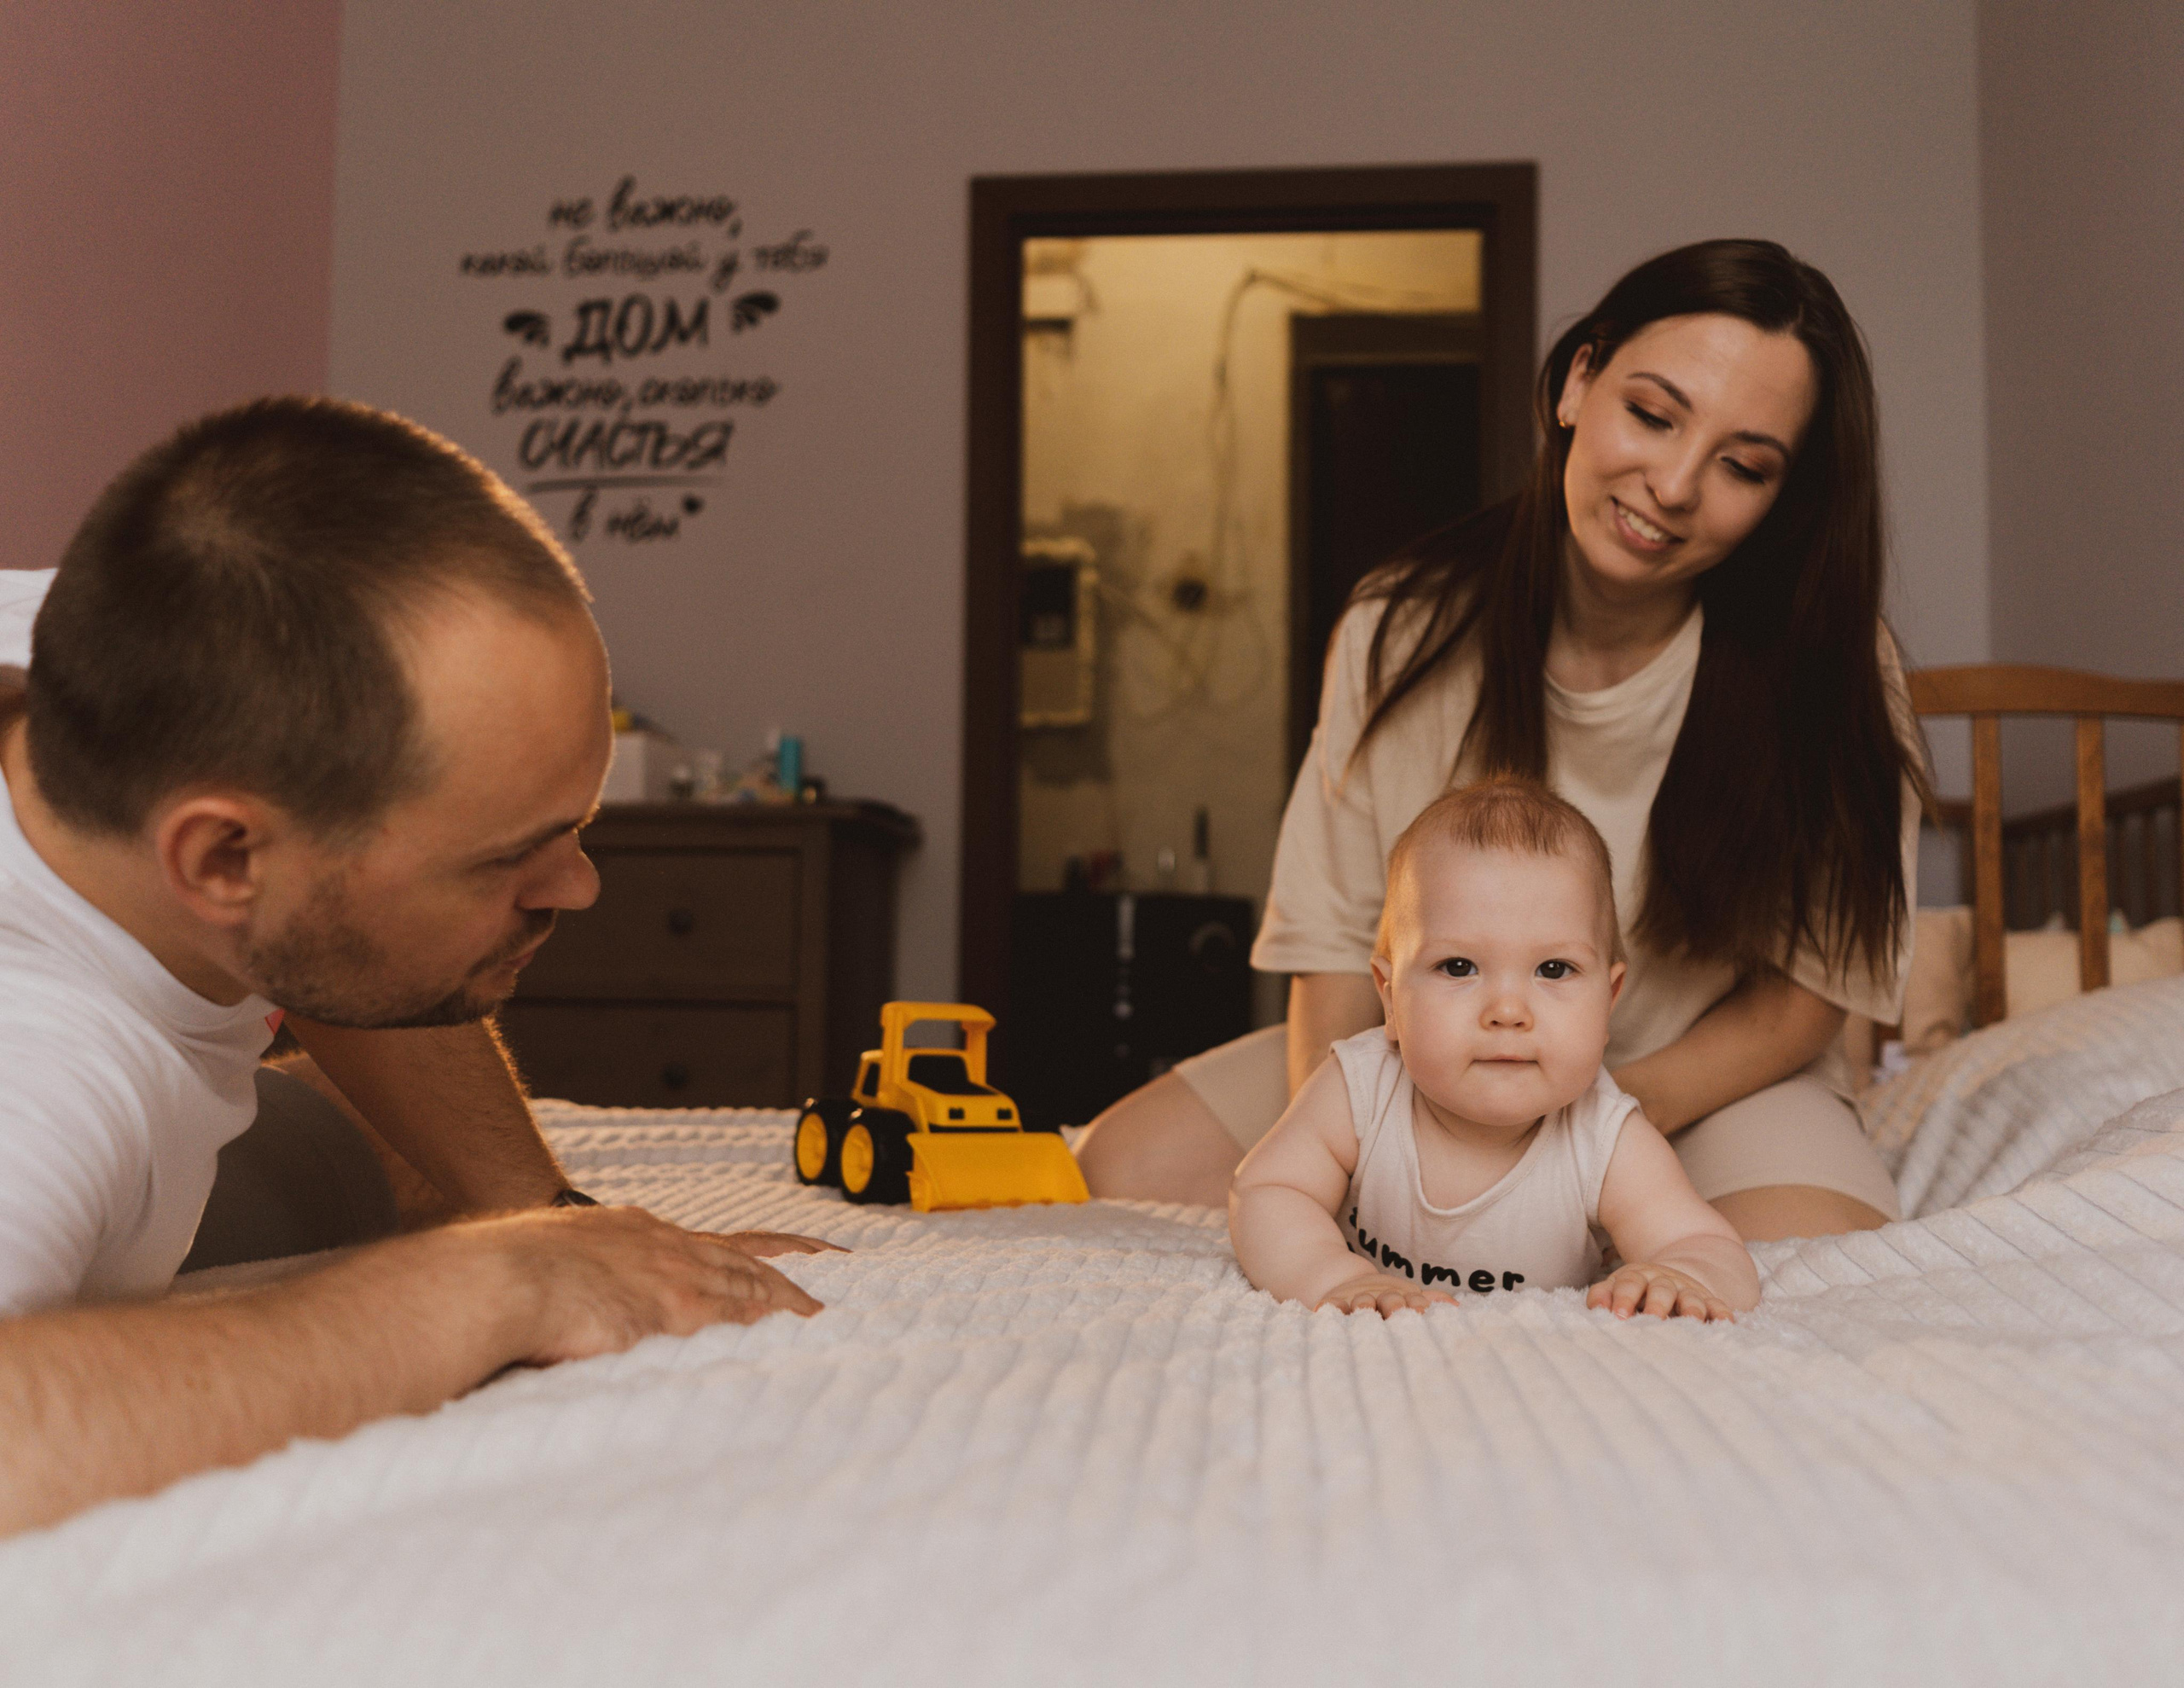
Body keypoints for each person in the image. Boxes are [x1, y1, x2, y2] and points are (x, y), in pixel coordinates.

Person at [0, 397, 831, 1537]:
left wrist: (535, 1209)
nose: (579, 889)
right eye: (509, 859)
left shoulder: (116, 629)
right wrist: (493, 1279)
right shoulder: (45, 1070)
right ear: (225, 854)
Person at [1079, 239, 1927, 1243]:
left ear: (1781, 498)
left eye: (1741, 466)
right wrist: (1368, 1147)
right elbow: (1336, 950)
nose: (1672, 483)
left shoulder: (1833, 666)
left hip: (1695, 1083)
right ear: (1578, 381)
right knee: (1115, 1169)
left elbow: (1802, 999)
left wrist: (1592, 1125)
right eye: (1651, 415)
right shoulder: (1400, 628)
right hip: (1421, 1060)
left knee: (1805, 1271)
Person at [1230, 780, 1757, 1323]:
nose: (1507, 1010)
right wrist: (1336, 1277)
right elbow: (1266, 1191)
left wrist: (1680, 1274)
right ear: (1390, 997)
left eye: (1555, 969)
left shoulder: (1602, 1136)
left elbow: (1707, 1245)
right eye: (1458, 967)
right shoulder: (1359, 1090)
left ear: (1609, 1001)